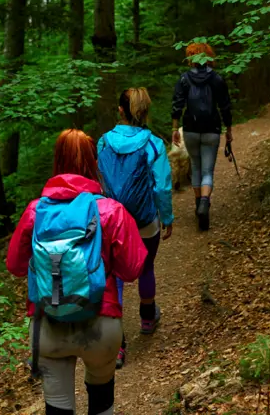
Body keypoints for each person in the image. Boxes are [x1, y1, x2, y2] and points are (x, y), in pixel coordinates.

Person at [7, 129, 147, 415]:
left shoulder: (36, 212)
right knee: (101, 401)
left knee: (57, 409)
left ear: (57, 161)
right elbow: (133, 269)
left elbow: (15, 266)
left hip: (48, 322)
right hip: (101, 322)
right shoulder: (111, 211)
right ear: (93, 162)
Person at [98, 88, 174, 369]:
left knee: (114, 277)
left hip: (111, 220)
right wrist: (167, 217)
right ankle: (146, 318)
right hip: (144, 220)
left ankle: (118, 347)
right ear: (144, 111)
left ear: (121, 110)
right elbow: (163, 185)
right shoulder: (153, 143)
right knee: (147, 267)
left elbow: (101, 178)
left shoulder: (103, 142)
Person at [171, 43, 233, 230]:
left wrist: (175, 128)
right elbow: (225, 106)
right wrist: (228, 129)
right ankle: (205, 202)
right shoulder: (217, 79)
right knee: (207, 170)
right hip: (211, 129)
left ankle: (199, 204)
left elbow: (177, 104)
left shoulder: (184, 79)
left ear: (190, 57)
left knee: (196, 167)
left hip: (190, 129)